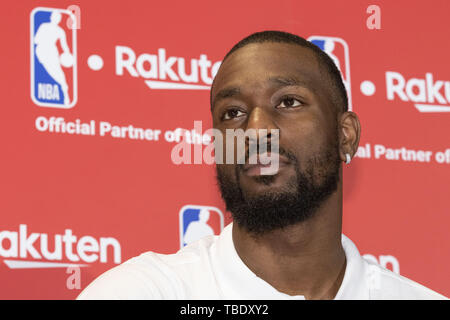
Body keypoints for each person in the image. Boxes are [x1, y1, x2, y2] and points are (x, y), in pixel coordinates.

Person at [78, 30, 447, 300]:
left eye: (288, 102)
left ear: (345, 135)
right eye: (233, 112)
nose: (256, 130)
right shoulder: (142, 293)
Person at [34, 10, 72, 106]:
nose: (56, 19)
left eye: (58, 18)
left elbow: (65, 46)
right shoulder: (44, 26)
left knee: (59, 73)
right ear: (51, 17)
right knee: (52, 72)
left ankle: (65, 93)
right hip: (42, 51)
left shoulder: (60, 31)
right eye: (55, 17)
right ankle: (64, 90)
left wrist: (68, 55)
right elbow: (35, 40)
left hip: (52, 52)